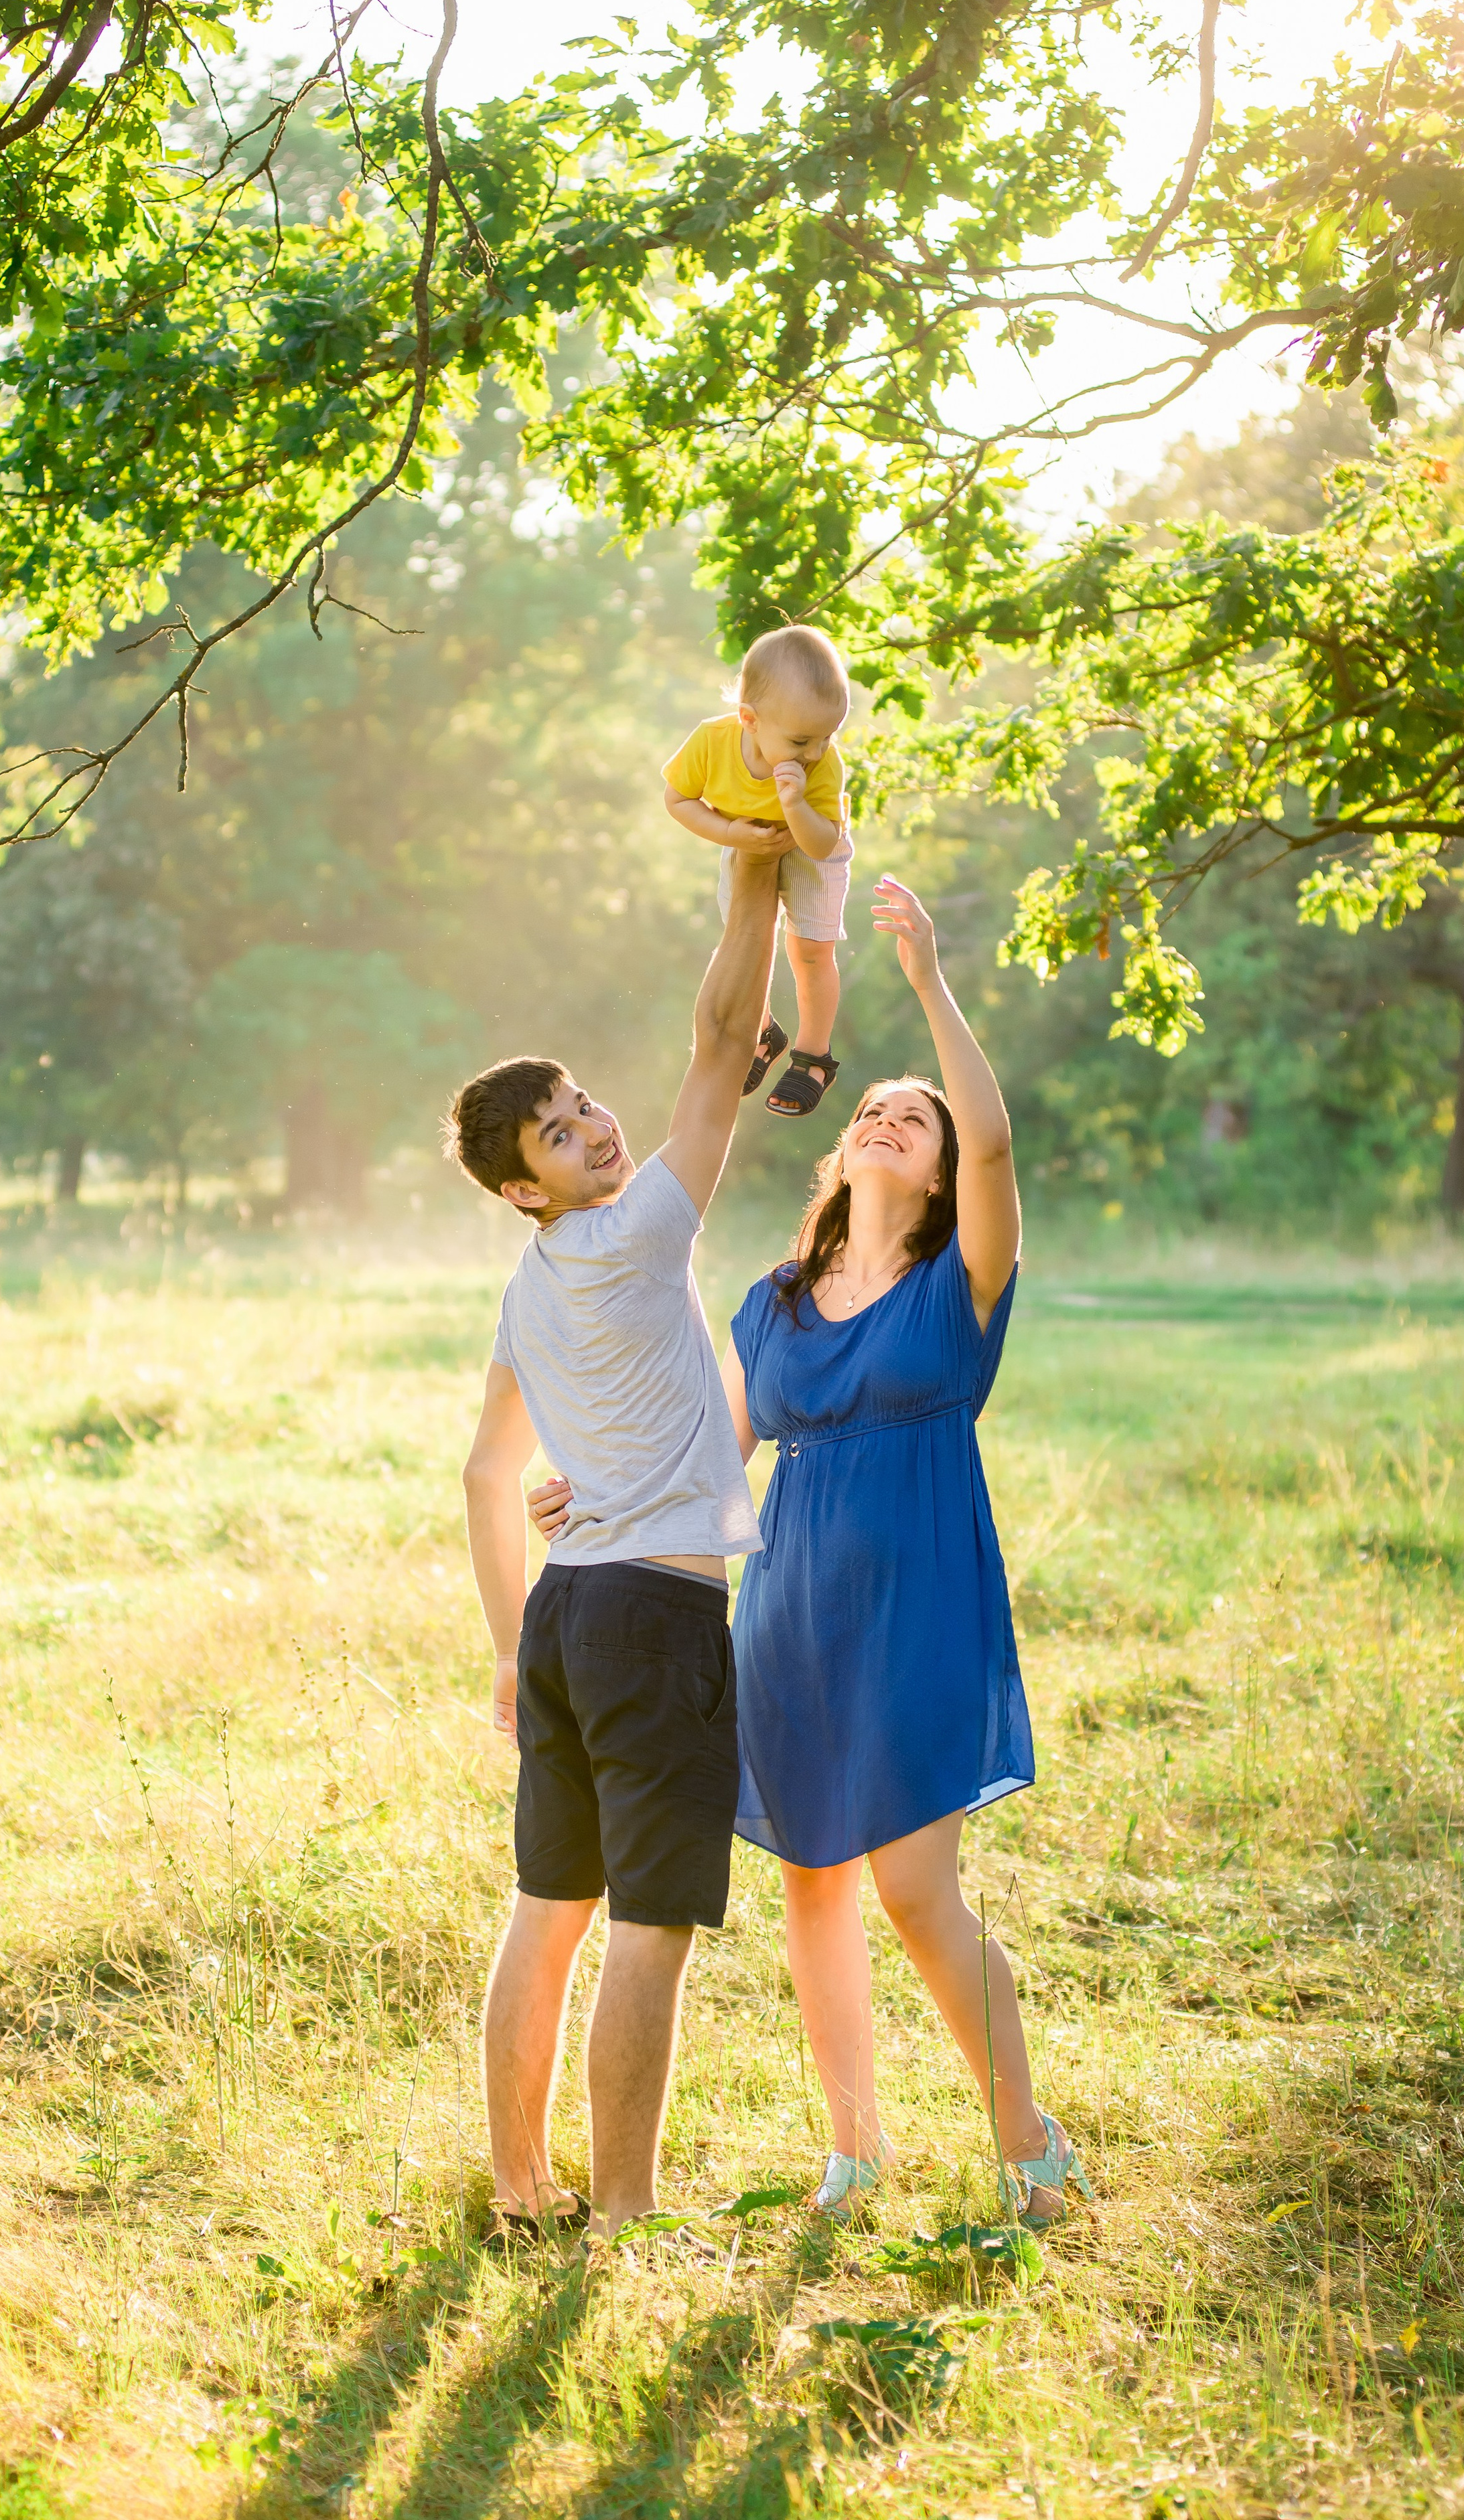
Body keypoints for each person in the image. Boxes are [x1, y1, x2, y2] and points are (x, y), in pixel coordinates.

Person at [530, 874, 1092, 2231]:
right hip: (788, 1608)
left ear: (945, 1170)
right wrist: (590, 1490)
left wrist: (928, 984)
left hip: (919, 1596)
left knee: (911, 1886)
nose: (893, 1116)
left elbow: (1002, 1152)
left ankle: (1029, 2140)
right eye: (873, 1111)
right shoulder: (772, 1302)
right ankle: (855, 2150)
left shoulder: (963, 1281)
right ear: (837, 1159)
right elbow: (705, 1444)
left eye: (921, 1118)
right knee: (813, 1883)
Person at [444, 837, 788, 2249]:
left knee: (548, 1905)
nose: (591, 1125)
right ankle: (627, 2217)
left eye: (584, 1101)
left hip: (567, 1621)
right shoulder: (641, 1230)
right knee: (644, 1923)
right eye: (557, 1131)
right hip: (651, 1620)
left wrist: (509, 1648)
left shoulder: (527, 1296)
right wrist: (756, 876)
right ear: (526, 1187)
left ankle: (522, 2187)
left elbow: (485, 1473)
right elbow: (721, 1041)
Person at [663, 624, 853, 1119]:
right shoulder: (712, 741)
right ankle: (762, 1031)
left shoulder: (821, 764)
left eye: (827, 736)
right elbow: (678, 799)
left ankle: (813, 1055)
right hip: (744, 840)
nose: (814, 752)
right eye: (801, 740)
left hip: (812, 845)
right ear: (749, 719)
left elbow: (823, 839)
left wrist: (794, 803)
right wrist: (730, 834)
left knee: (809, 949)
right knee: (745, 942)